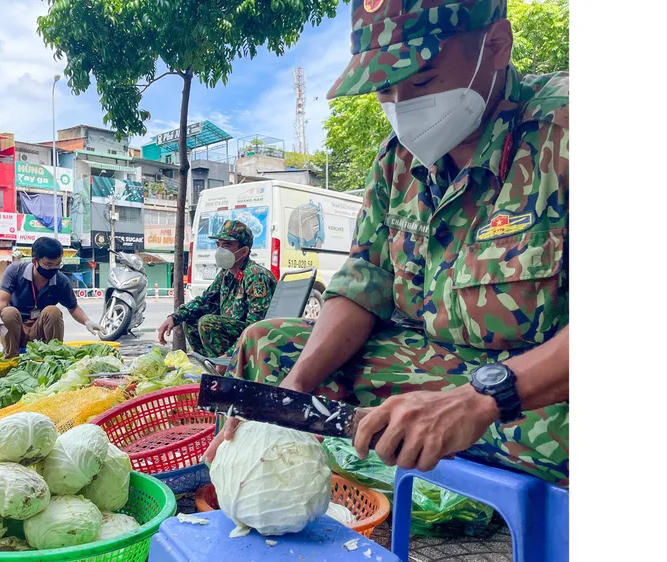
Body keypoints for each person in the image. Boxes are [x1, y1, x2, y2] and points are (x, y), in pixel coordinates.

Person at [205, 0, 569, 487]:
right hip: (436, 365)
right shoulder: (396, 161)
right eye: (383, 88)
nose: (401, 105)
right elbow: (362, 286)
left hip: (542, 387)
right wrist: (292, 394)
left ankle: (450, 499)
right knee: (269, 349)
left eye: (419, 81)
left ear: (496, 45)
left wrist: (481, 400)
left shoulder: (567, 130)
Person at [157, 220, 276, 365]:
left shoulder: (256, 276)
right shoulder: (226, 274)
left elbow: (256, 326)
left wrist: (230, 355)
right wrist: (175, 317)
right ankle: (213, 366)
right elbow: (205, 301)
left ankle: (225, 366)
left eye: (227, 245)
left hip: (255, 341)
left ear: (244, 251)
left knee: (207, 323)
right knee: (191, 320)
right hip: (236, 336)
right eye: (218, 244)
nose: (220, 250)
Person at [0, 236, 104, 357]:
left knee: (52, 311)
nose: (53, 268)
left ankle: (54, 356)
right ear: (34, 261)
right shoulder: (15, 271)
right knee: (8, 312)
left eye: (57, 264)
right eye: (48, 265)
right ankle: (10, 358)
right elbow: (2, 300)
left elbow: (73, 308)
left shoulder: (60, 281)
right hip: (15, 330)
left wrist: (87, 321)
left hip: (39, 331)